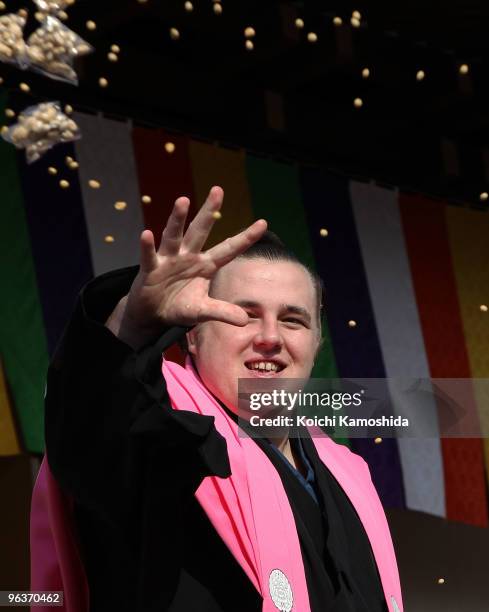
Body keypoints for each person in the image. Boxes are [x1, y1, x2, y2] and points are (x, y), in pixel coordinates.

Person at [30, 186, 403, 612]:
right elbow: (94, 427)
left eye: (293, 320)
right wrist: (132, 326)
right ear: (193, 331)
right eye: (243, 316)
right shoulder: (163, 436)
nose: (269, 339)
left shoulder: (347, 474)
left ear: (317, 343)